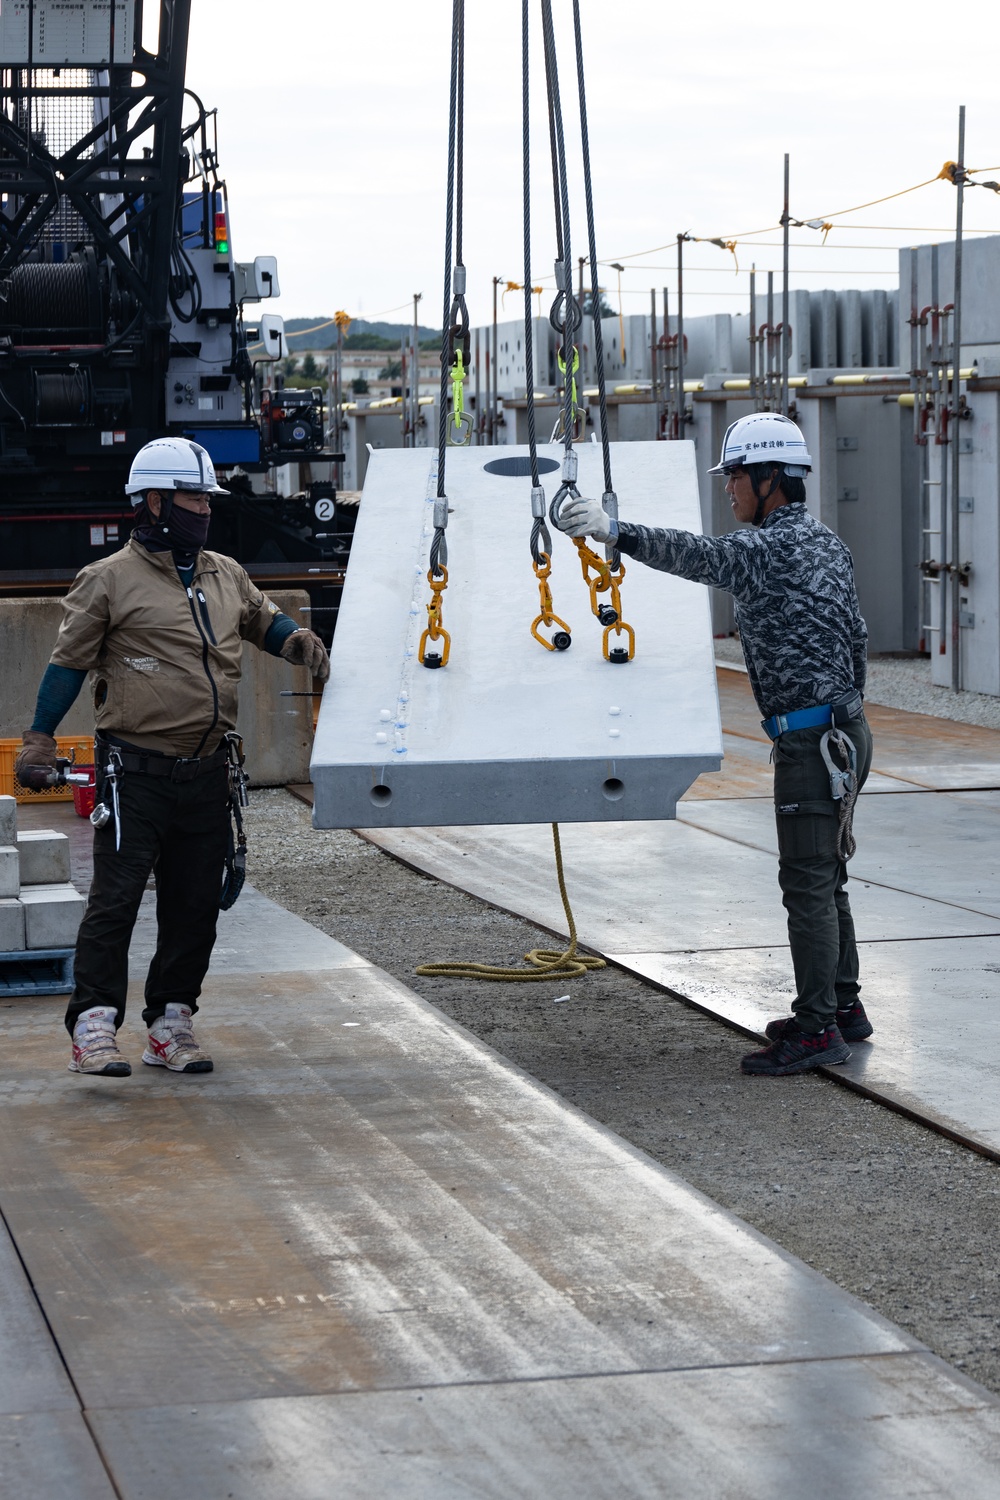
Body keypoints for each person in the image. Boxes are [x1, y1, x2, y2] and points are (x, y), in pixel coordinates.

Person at [554, 411, 872, 1076]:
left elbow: (696, 555)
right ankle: (842, 1005)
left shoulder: (764, 551)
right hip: (846, 730)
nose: (728, 491)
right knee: (828, 875)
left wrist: (615, 531)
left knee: (807, 883)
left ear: (768, 480)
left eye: (734, 478)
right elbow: (859, 637)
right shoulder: (828, 545)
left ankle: (817, 1031)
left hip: (812, 741)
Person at [15, 437, 331, 1079]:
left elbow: (259, 621)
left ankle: (170, 1021)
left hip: (210, 769)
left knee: (193, 903)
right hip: (134, 773)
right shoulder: (107, 581)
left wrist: (295, 641)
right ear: (154, 502)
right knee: (116, 900)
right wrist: (40, 737)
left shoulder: (224, 573)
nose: (204, 510)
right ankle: (95, 1026)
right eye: (192, 498)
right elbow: (67, 663)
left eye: (206, 499)